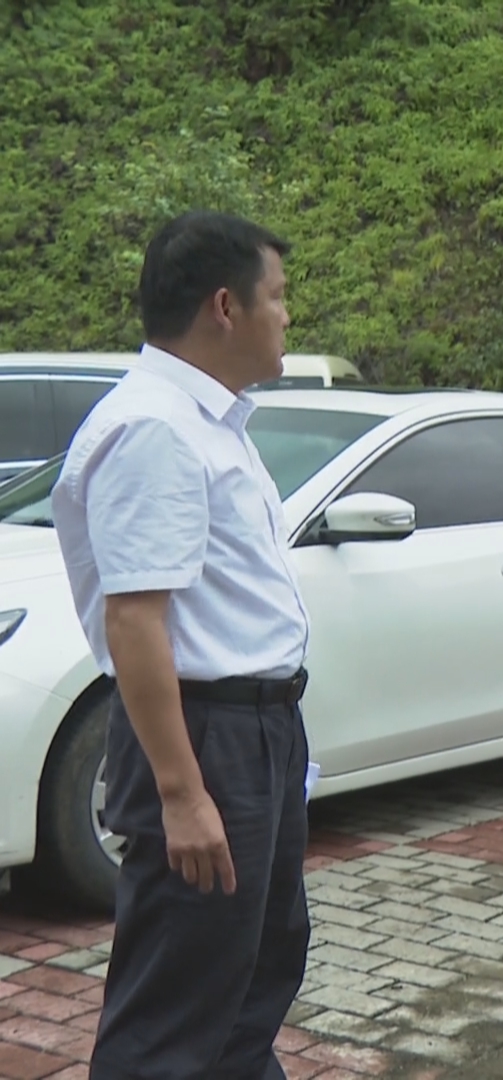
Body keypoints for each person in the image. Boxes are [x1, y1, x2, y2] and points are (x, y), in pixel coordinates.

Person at [50, 210, 311, 1079]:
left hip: (253, 733)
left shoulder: (207, 424)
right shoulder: (155, 428)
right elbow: (135, 620)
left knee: (254, 971)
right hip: (205, 738)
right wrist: (182, 793)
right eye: (278, 297)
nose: (288, 316)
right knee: (177, 1003)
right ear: (225, 307)